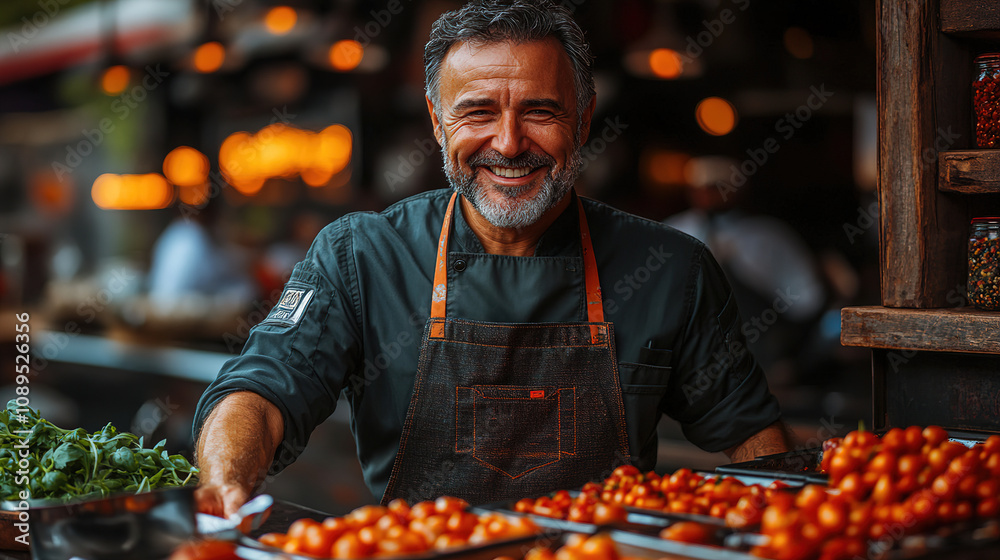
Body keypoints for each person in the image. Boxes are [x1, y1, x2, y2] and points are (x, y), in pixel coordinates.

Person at [193, 0, 790, 517]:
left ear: (583, 120)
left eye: (540, 111)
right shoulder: (362, 256)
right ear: (436, 120)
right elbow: (261, 393)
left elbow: (755, 441)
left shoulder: (671, 269)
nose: (508, 144)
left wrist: (794, 530)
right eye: (478, 112)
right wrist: (225, 486)